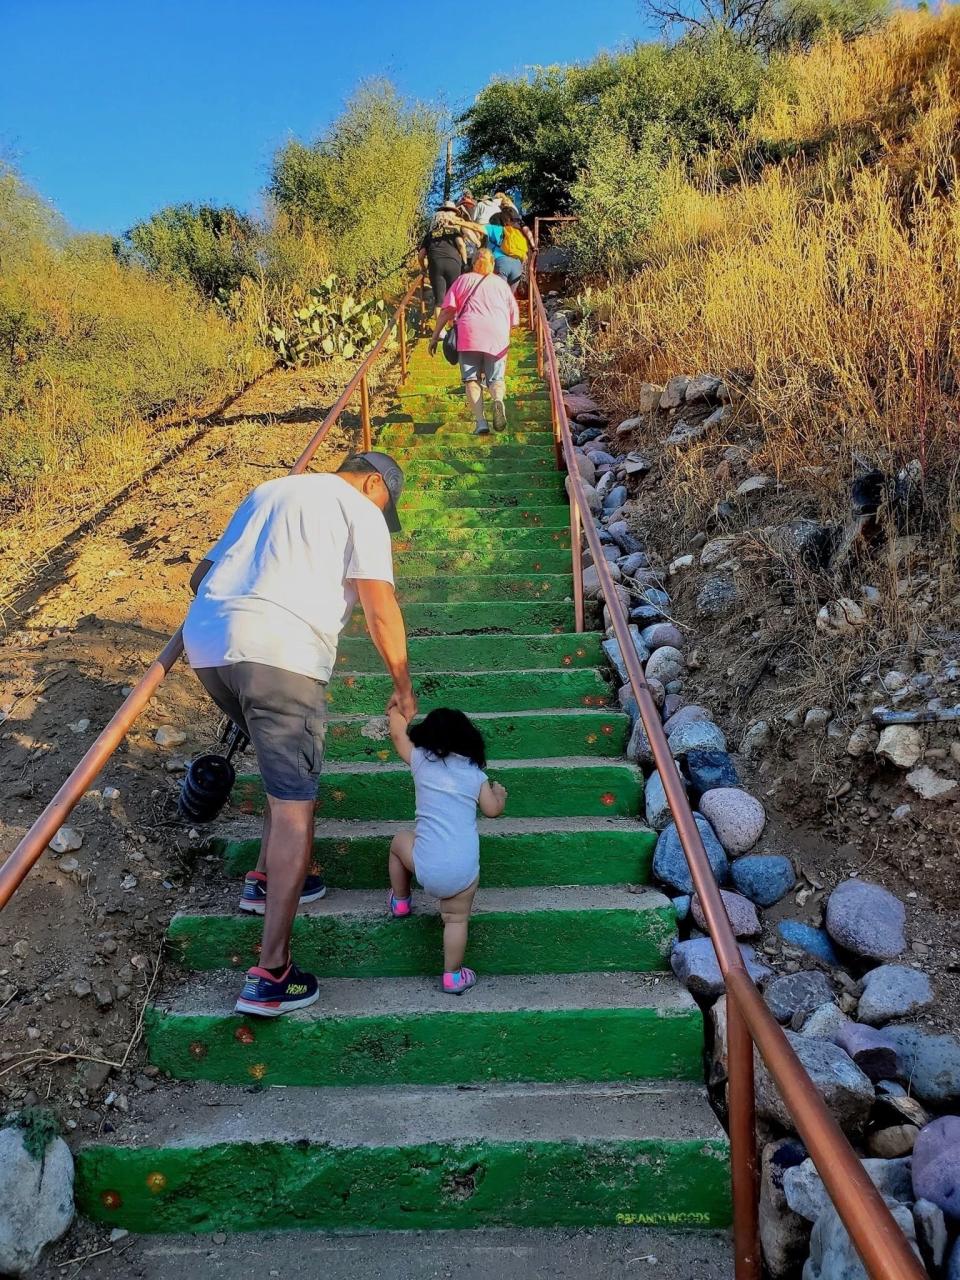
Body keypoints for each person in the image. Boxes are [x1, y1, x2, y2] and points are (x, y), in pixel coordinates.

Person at [183, 452, 417, 1017]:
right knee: (295, 807)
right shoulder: (358, 507)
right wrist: (404, 686)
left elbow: (199, 576)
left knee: (280, 778)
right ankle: (271, 973)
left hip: (209, 647)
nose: (382, 519)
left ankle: (266, 879)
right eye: (387, 506)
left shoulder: (269, 491)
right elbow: (379, 605)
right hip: (282, 655)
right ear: (373, 482)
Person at [386, 706, 507, 994]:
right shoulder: (474, 774)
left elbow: (396, 735)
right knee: (456, 919)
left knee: (398, 843)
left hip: (426, 863)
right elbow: (491, 811)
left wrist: (397, 709)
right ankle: (453, 975)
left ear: (426, 736)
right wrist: (500, 794)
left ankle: (401, 901)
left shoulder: (420, 760)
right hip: (463, 871)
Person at [427, 248, 519, 436]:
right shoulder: (501, 285)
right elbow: (514, 321)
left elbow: (446, 311)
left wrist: (435, 336)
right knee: (496, 379)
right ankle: (498, 400)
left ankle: (481, 423)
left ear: (472, 262)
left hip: (470, 334)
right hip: (497, 335)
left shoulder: (462, 280)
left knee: (471, 379)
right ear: (492, 264)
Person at [419, 203, 468, 318]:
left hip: (435, 265)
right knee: (454, 295)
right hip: (453, 263)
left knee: (439, 300)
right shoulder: (454, 231)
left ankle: (439, 330)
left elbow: (421, 255)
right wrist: (465, 262)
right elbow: (461, 245)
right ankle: (455, 325)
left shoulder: (430, 235)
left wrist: (423, 268)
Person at [481, 208, 536, 294]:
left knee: (499, 296)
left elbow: (477, 227)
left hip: (501, 264)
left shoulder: (496, 229)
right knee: (509, 297)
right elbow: (528, 232)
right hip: (517, 266)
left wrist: (459, 222)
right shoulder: (519, 232)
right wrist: (533, 246)